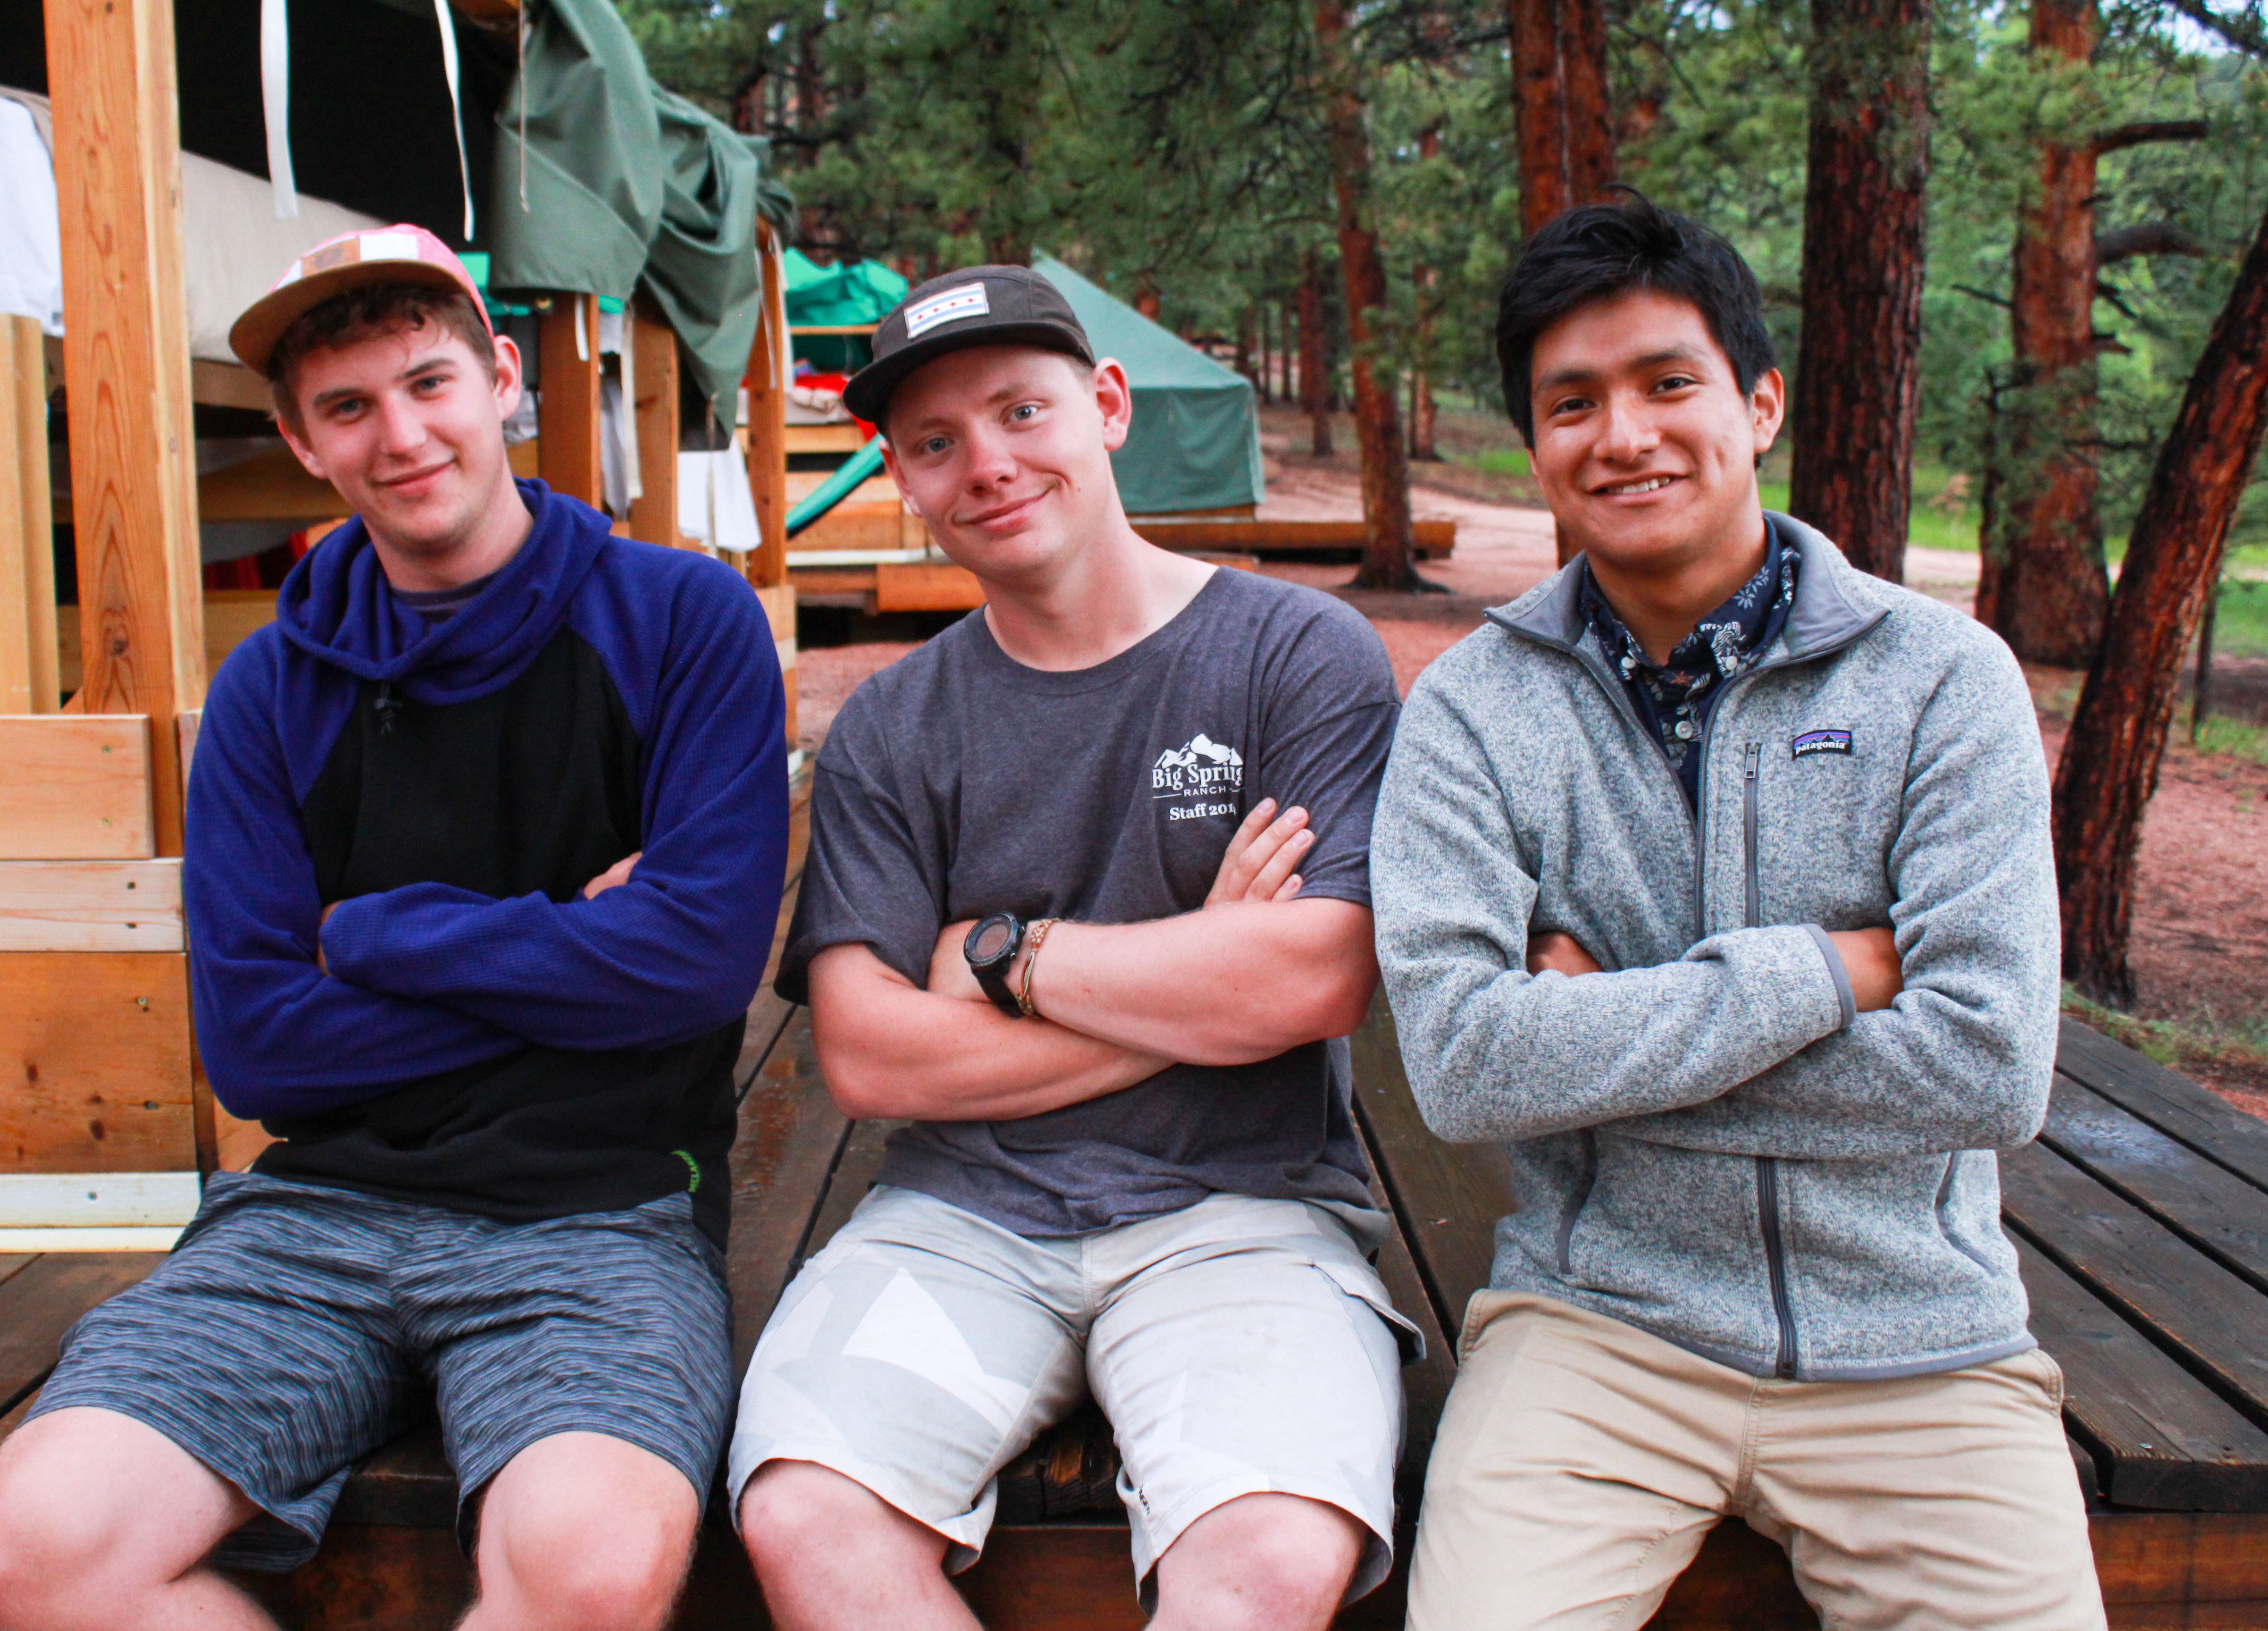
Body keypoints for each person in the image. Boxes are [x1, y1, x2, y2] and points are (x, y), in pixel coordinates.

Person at [0, 226, 790, 1631]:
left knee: (588, 1574)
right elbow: (262, 1054)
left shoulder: (681, 620)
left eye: (428, 384)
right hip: (311, 1216)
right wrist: (578, 967)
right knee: (35, 1553)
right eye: (348, 406)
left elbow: (700, 966)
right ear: (301, 440)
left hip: (599, 1213)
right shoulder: (267, 695)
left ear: (503, 379)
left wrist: (376, 936)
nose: (401, 437)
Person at [1371, 197, 2103, 1630]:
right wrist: (1825, 975)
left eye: (1667, 382)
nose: (1623, 435)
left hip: (1924, 1349)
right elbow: (1461, 1069)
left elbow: (1991, 1065)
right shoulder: (1472, 709)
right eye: (1572, 403)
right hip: (1596, 1334)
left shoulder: (1941, 680)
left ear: (1759, 404)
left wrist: (1596, 1033)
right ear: (1536, 444)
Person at [729, 265, 1414, 1631]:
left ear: (1106, 405)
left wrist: (1006, 959)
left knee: (1273, 1562)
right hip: (959, 1221)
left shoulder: (1296, 655)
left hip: (1248, 1216)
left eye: (1020, 411)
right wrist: (1205, 972)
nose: (987, 463)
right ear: (902, 478)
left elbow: (1319, 979)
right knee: (807, 1522)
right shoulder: (893, 728)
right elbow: (868, 1058)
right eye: (936, 441)